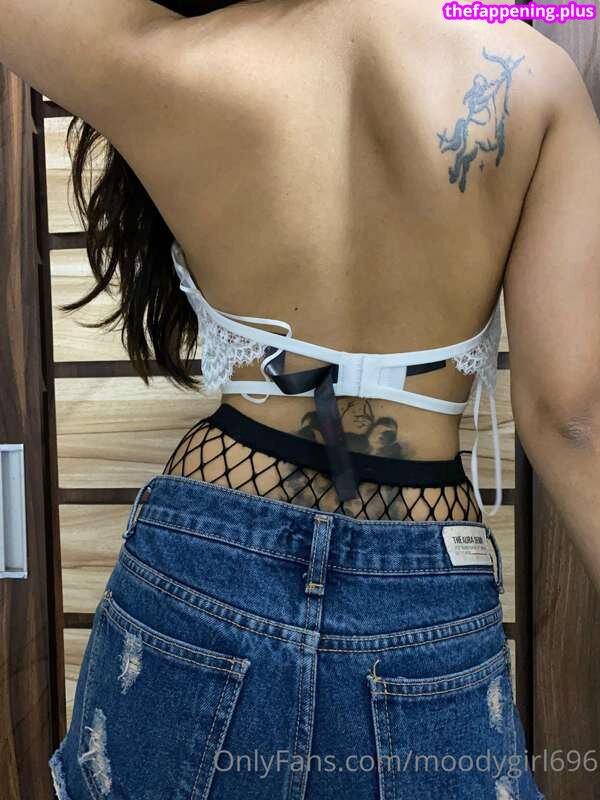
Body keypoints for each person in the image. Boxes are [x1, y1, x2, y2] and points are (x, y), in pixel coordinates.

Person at [2, 0, 598, 797]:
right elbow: (573, 419)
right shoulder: (536, 79)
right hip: (423, 562)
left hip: (206, 546)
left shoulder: (178, 56)